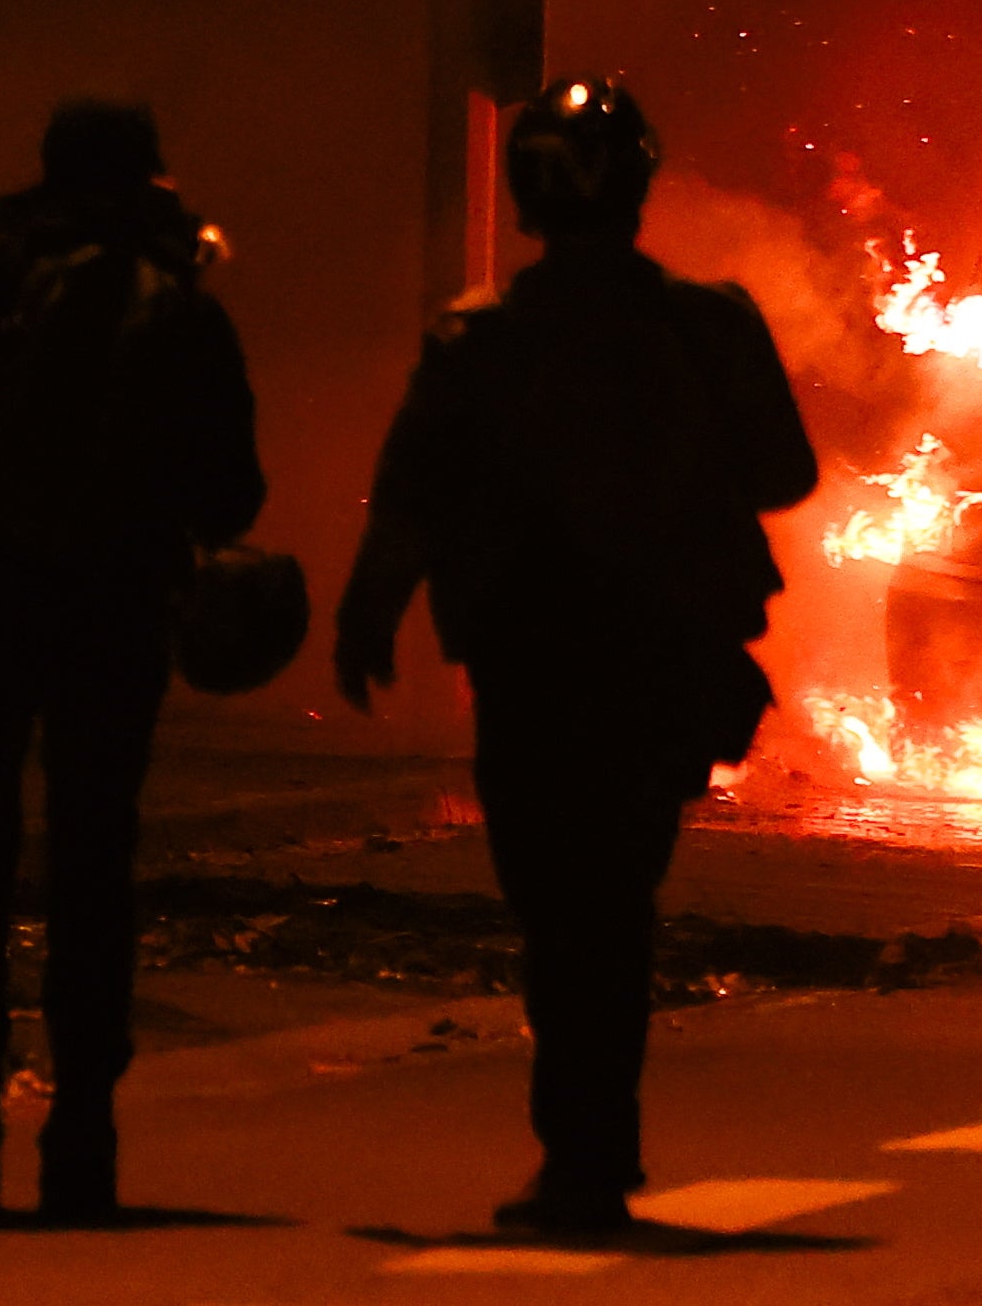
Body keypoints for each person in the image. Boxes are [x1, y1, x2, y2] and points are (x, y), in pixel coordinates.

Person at [333, 78, 818, 1237]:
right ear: (639, 188)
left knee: (559, 904)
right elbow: (783, 474)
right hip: (656, 662)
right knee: (610, 899)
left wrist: (367, 614)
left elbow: (409, 498)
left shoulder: (479, 339)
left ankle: (582, 1154)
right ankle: (590, 1152)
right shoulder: (708, 326)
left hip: (531, 663)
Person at [0, 100, 266, 1221]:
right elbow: (232, 490)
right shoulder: (178, 309)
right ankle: (83, 1133)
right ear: (150, 177)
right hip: (110, 607)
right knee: (92, 862)